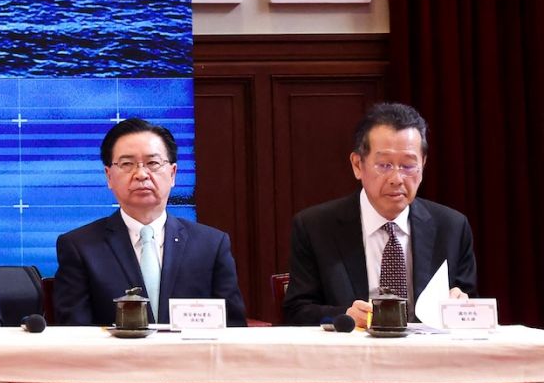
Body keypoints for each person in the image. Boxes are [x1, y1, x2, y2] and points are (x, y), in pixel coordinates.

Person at [283, 102, 476, 327]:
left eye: (408, 166)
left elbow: (471, 306)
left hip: (428, 356)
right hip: (352, 356)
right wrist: (344, 315)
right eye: (384, 165)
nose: (397, 178)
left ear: (423, 165)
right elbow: (297, 311)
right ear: (357, 165)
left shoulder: (452, 227)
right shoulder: (315, 227)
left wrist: (461, 305)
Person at [51, 118, 246, 326]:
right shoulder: (80, 246)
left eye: (153, 163)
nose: (141, 174)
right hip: (112, 358)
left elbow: (233, 328)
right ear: (109, 176)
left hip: (190, 358)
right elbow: (74, 333)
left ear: (172, 174)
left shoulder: (211, 245)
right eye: (127, 164)